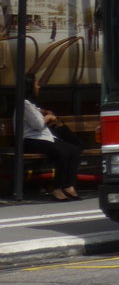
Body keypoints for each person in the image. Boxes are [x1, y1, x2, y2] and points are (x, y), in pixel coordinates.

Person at [21, 73, 84, 201]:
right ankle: (57, 188)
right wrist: (49, 117)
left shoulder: (30, 105)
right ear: (29, 87)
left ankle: (69, 185)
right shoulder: (24, 104)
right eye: (36, 84)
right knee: (63, 153)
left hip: (43, 138)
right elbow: (38, 125)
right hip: (31, 140)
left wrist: (44, 112)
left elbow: (37, 111)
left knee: (74, 150)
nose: (38, 87)